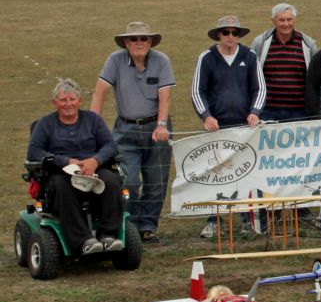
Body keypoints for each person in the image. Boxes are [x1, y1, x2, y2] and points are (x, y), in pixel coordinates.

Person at [91, 21, 174, 244]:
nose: (139, 43)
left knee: (156, 179)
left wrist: (162, 124)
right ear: (126, 42)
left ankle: (148, 227)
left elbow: (165, 96)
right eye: (134, 39)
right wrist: (93, 127)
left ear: (150, 41)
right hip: (125, 128)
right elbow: (100, 93)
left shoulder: (161, 61)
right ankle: (131, 225)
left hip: (155, 127)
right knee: (127, 180)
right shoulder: (114, 60)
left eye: (143, 39)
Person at [28, 78, 125, 255]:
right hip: (60, 173)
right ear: (55, 102)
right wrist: (65, 161)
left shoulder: (93, 120)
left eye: (72, 99)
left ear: (80, 101)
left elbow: (110, 146)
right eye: (63, 100)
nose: (68, 104)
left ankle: (108, 235)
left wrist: (94, 161)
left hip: (92, 170)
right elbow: (34, 152)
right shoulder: (45, 124)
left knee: (111, 180)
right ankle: (82, 240)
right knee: (61, 185)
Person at [191, 15, 266, 239]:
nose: (230, 37)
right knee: (216, 174)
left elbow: (259, 88)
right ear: (219, 35)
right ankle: (213, 220)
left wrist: (255, 112)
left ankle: (247, 220)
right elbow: (197, 91)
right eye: (226, 32)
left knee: (246, 172)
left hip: (245, 127)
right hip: (217, 127)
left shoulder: (249, 56)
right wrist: (206, 116)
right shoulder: (207, 57)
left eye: (235, 32)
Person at [251, 3, 315, 123]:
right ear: (274, 21)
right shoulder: (260, 42)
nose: (286, 24)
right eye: (281, 20)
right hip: (267, 111)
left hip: (299, 112)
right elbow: (252, 75)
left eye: (289, 19)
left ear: (294, 20)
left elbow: (314, 78)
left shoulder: (308, 44)